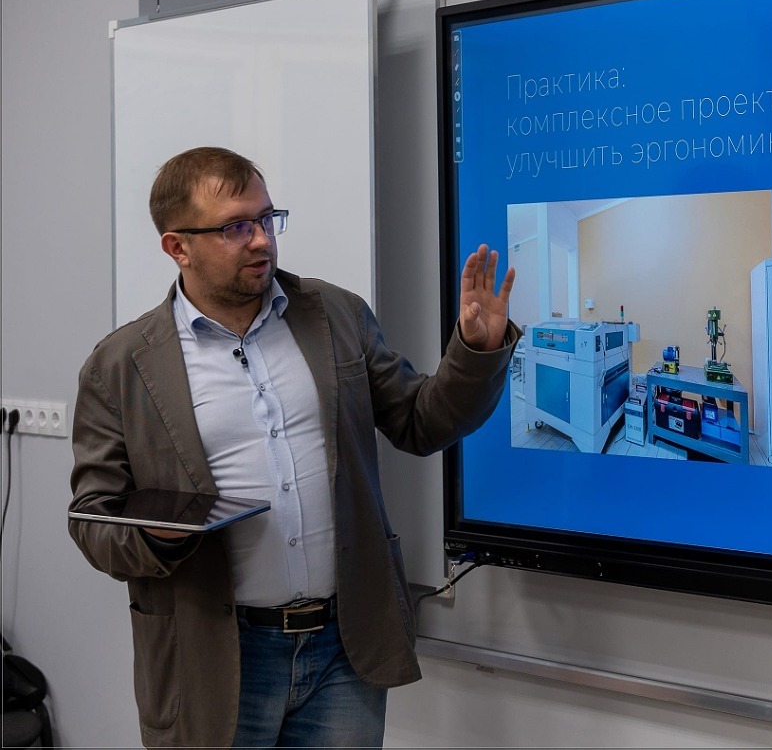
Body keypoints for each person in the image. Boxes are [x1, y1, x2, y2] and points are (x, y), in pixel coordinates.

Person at [68, 146, 518, 748]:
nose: (261, 240)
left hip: (343, 648)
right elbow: (93, 519)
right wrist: (158, 535)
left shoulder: (334, 313)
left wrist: (475, 350)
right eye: (235, 227)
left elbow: (421, 422)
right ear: (178, 247)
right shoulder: (121, 365)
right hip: (215, 657)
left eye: (266, 218)